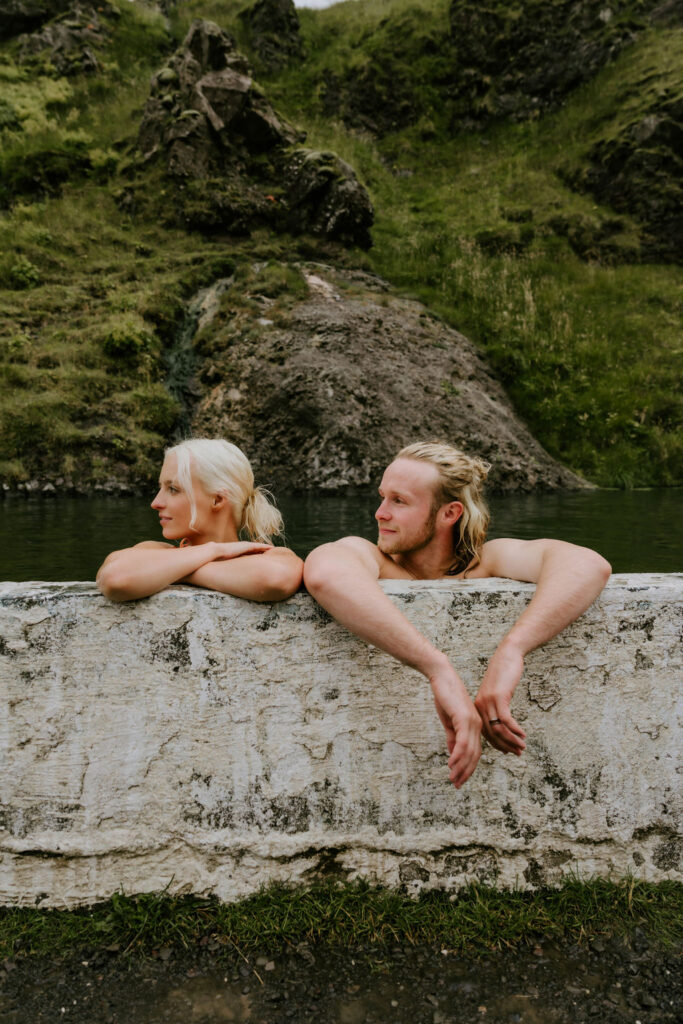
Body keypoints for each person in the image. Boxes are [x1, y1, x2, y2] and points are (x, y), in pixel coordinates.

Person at [303, 440, 611, 790]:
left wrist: (513, 649)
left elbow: (588, 564)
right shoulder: (371, 557)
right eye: (382, 497)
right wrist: (438, 670)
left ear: (449, 513)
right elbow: (326, 574)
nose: (380, 513)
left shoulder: (486, 562)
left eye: (399, 501)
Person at [97, 438, 303, 603]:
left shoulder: (271, 555)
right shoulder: (152, 549)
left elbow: (275, 579)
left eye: (173, 489)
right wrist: (215, 550)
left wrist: (179, 571)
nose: (155, 502)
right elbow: (115, 578)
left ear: (217, 499)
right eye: (160, 488)